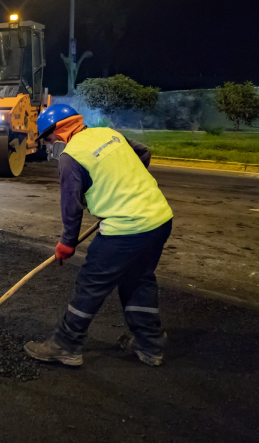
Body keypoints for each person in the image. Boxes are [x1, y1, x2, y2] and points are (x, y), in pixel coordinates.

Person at [24, 104, 173, 367]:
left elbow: (71, 205)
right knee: (138, 279)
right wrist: (125, 183)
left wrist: (67, 243)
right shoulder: (108, 134)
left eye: (48, 138)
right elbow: (143, 152)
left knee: (91, 285)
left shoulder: (72, 156)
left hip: (126, 229)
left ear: (58, 129)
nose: (51, 143)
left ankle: (65, 345)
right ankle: (150, 345)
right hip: (159, 219)